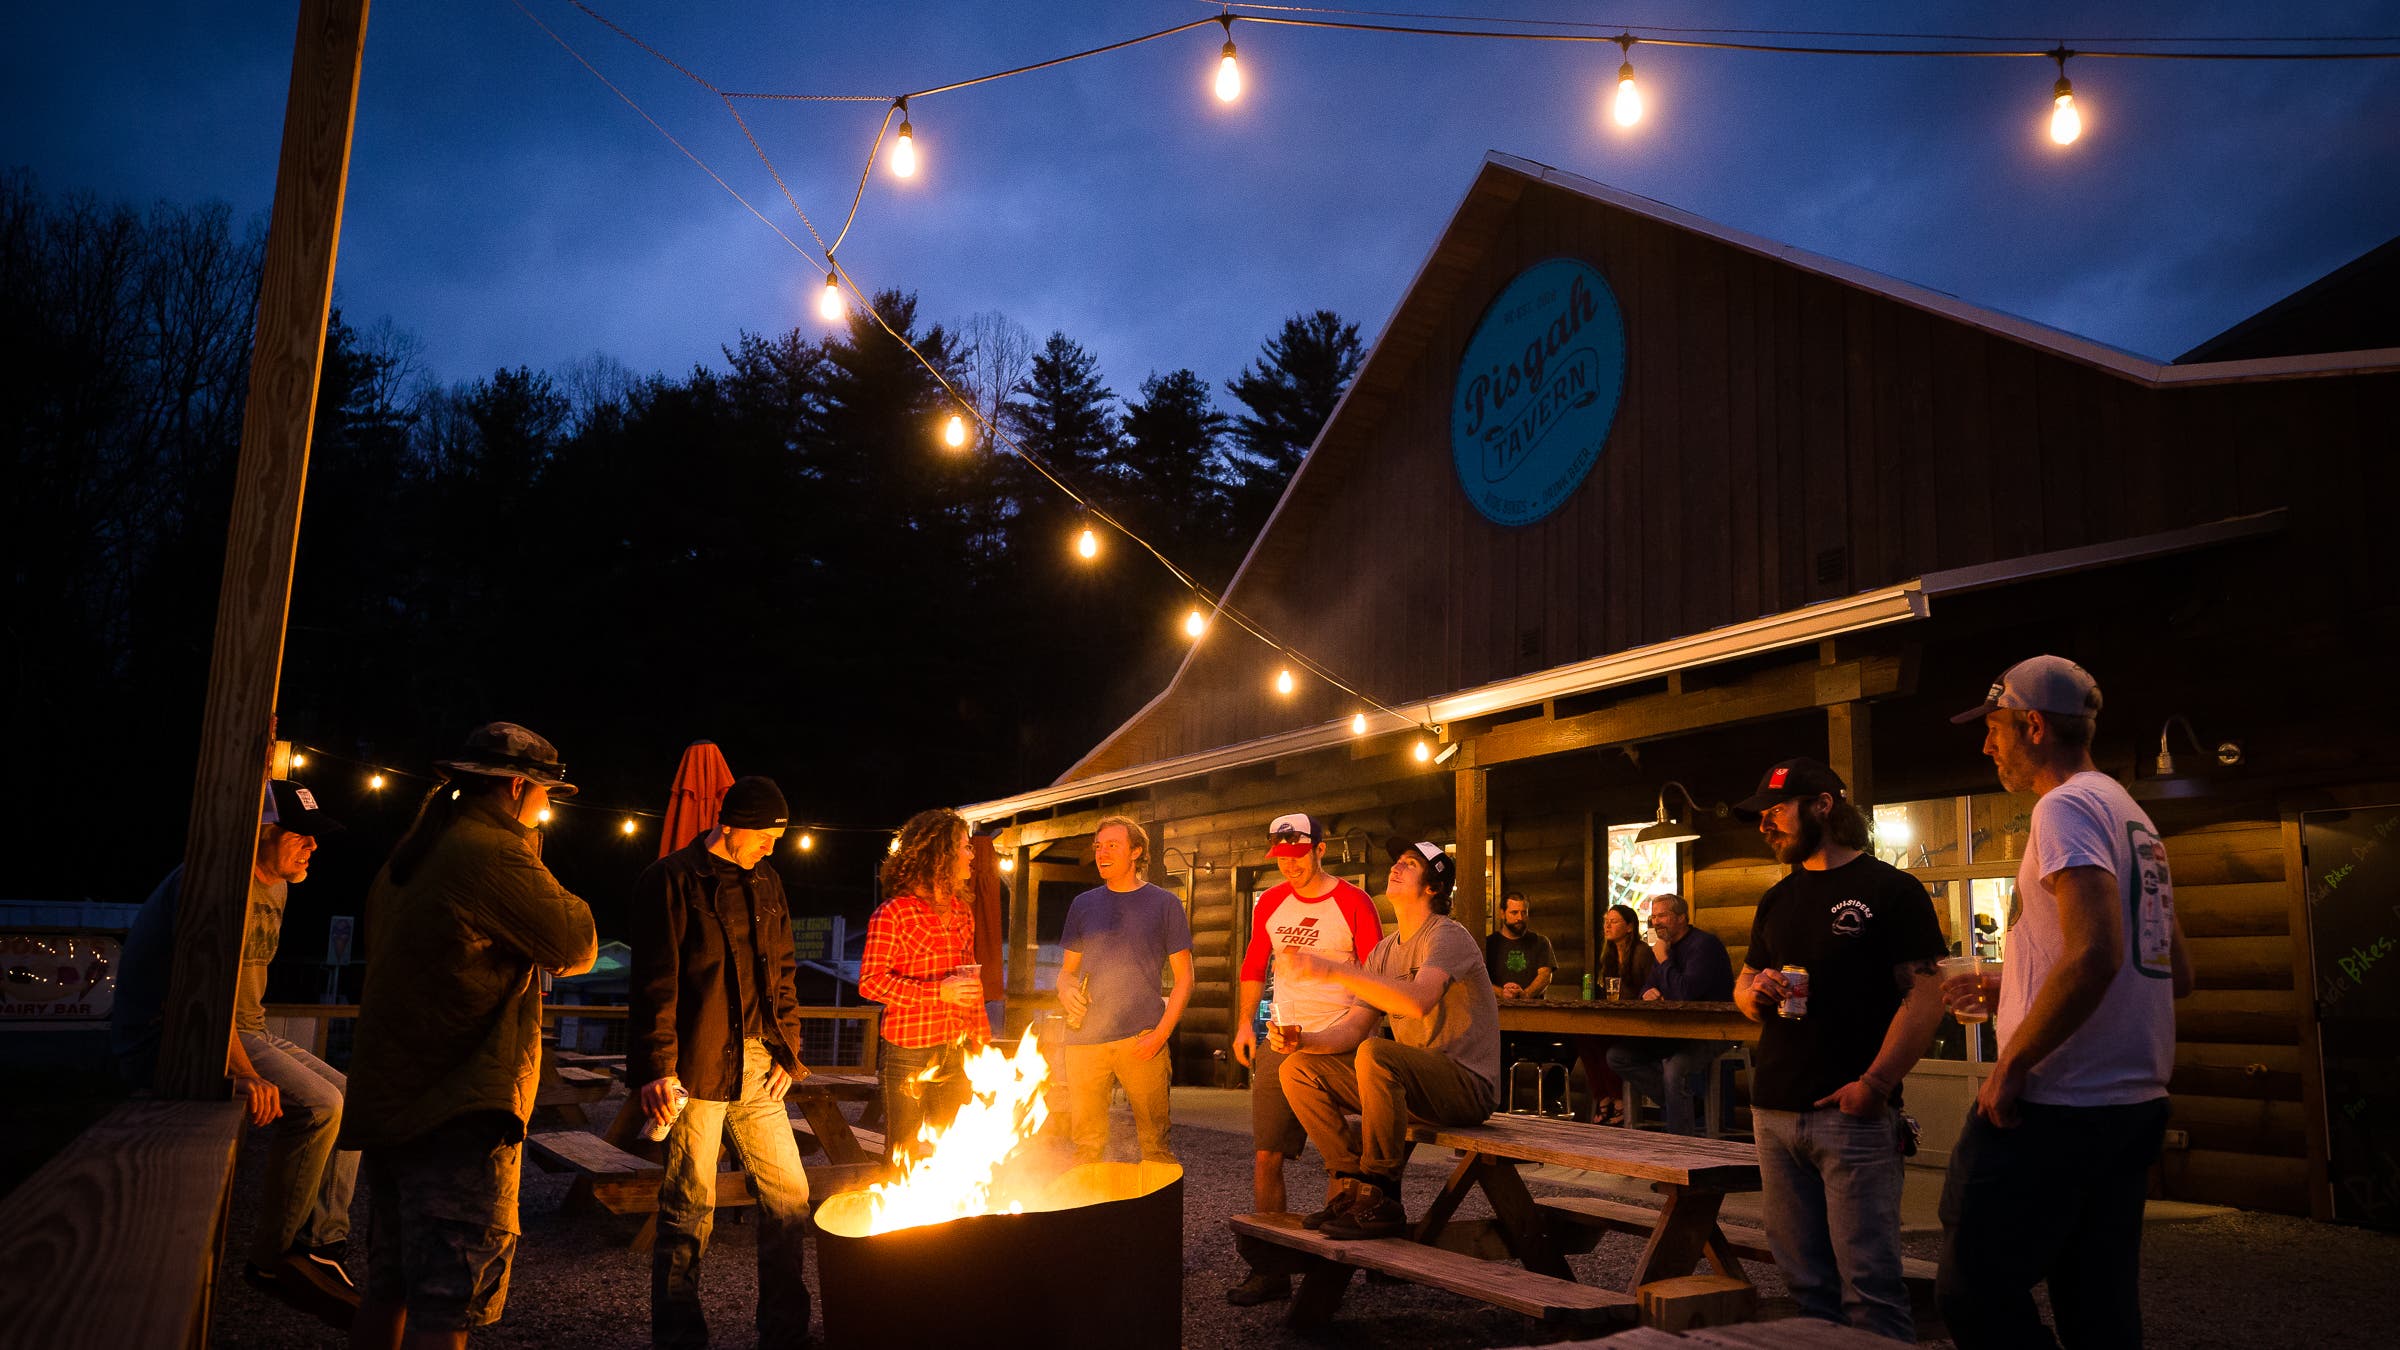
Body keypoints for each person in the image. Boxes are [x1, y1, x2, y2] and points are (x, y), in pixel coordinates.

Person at [1937, 657, 2194, 1349]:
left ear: (2033, 725)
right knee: (2097, 1305)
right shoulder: (2129, 811)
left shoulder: (2065, 807)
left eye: (1993, 729)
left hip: (2062, 1105)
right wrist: (2010, 982)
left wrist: (2010, 1067)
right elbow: (2173, 966)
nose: (1986, 746)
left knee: (1972, 1286)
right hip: (2132, 1105)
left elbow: (2096, 954)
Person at [343, 723, 599, 1350]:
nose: (547, 808)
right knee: (447, 1301)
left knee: (392, 1284)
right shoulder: (490, 852)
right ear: (517, 787)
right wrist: (530, 850)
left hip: (395, 1099)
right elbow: (577, 941)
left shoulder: (412, 854)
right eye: (545, 794)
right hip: (456, 1106)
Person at [111, 777, 360, 1320]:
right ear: (262, 832)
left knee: (355, 1101)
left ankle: (322, 1244)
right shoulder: (218, 886)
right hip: (169, 1034)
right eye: (301, 835)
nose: (313, 846)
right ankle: (274, 1258)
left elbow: (238, 999)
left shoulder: (278, 884)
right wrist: (242, 1072)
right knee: (322, 1106)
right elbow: (198, 995)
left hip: (246, 1024)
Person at [1732, 757, 1948, 1342]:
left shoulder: (1890, 890)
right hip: (1774, 1113)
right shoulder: (1777, 900)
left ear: (1823, 806)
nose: (1765, 825)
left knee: (1870, 1290)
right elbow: (1744, 986)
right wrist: (1757, 993)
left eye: (1776, 810)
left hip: (1851, 1116)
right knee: (1806, 1289)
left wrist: (1874, 1086)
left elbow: (1926, 997)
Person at [629, 775, 814, 1349]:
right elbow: (656, 984)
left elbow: (782, 973)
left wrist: (789, 1049)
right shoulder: (670, 880)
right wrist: (659, 1067)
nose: (771, 847)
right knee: (689, 1209)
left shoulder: (769, 881)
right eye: (764, 835)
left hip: (760, 1065)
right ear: (729, 824)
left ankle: (784, 1331)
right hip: (697, 1064)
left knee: (790, 1198)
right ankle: (680, 1338)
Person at [1278, 839, 1499, 1238]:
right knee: (1298, 1070)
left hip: (1466, 1087)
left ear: (1432, 887)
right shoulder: (1384, 951)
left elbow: (1417, 1002)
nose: (1396, 868)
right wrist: (1303, 1041)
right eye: (1396, 861)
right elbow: (1352, 1028)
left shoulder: (1447, 936)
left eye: (1409, 864)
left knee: (1376, 1053)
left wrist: (1334, 970)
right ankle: (1351, 1184)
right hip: (1410, 1087)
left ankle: (1383, 1195)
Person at [1223, 812, 1382, 1307]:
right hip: (1282, 1036)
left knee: (1339, 1151)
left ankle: (1335, 1266)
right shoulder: (1270, 901)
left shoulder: (1354, 902)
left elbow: (1378, 977)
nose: (1288, 865)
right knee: (1267, 1152)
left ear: (1320, 849)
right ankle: (1271, 1270)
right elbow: (1254, 964)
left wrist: (1363, 1035)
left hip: (1341, 1040)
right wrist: (1244, 1024)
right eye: (1281, 857)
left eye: (1297, 855)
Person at [1055, 815, 1194, 1165]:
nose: (1102, 853)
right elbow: (1066, 974)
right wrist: (1065, 989)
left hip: (1141, 1039)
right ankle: (1088, 1216)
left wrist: (1161, 1034)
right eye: (1098, 846)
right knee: (1086, 1146)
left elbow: (1185, 979)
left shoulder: (1164, 904)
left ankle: (1154, 1217)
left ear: (1136, 851)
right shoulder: (1083, 904)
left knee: (1155, 1145)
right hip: (1085, 1040)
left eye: (1112, 845)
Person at [859, 808, 989, 1163]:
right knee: (904, 1154)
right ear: (941, 854)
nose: (971, 854)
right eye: (964, 847)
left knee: (955, 1154)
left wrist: (984, 1045)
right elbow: (870, 983)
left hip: (957, 1048)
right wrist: (937, 991)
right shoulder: (894, 913)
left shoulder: (962, 912)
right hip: (909, 1054)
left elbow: (970, 980)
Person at [1604, 893, 1734, 1134]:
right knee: (1618, 1056)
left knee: (1674, 1069)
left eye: (1662, 915)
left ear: (1682, 918)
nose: (1656, 922)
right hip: (1675, 1032)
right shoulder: (1666, 947)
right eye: (1653, 917)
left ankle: (1679, 1145)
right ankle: (1685, 1105)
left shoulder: (1703, 945)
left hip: (1712, 1031)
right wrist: (1647, 993)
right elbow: (1649, 985)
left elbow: (1685, 993)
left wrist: (1663, 959)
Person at [1575, 902, 1657, 1123]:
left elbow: (1651, 988)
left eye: (1614, 921)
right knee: (1584, 1037)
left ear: (1630, 927)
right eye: (1606, 921)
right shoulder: (1609, 955)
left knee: (1608, 1043)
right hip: (1616, 1019)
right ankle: (1603, 1097)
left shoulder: (1641, 953)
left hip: (1639, 1024)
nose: (1607, 926)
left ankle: (1619, 1100)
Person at [1483, 891, 1555, 1000]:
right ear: (1502, 914)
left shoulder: (1540, 942)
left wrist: (1525, 995)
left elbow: (1545, 976)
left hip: (1533, 1011)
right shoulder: (1488, 944)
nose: (1520, 918)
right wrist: (1502, 993)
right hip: (1497, 1010)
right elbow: (1479, 978)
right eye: (1514, 912)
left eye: (1524, 912)